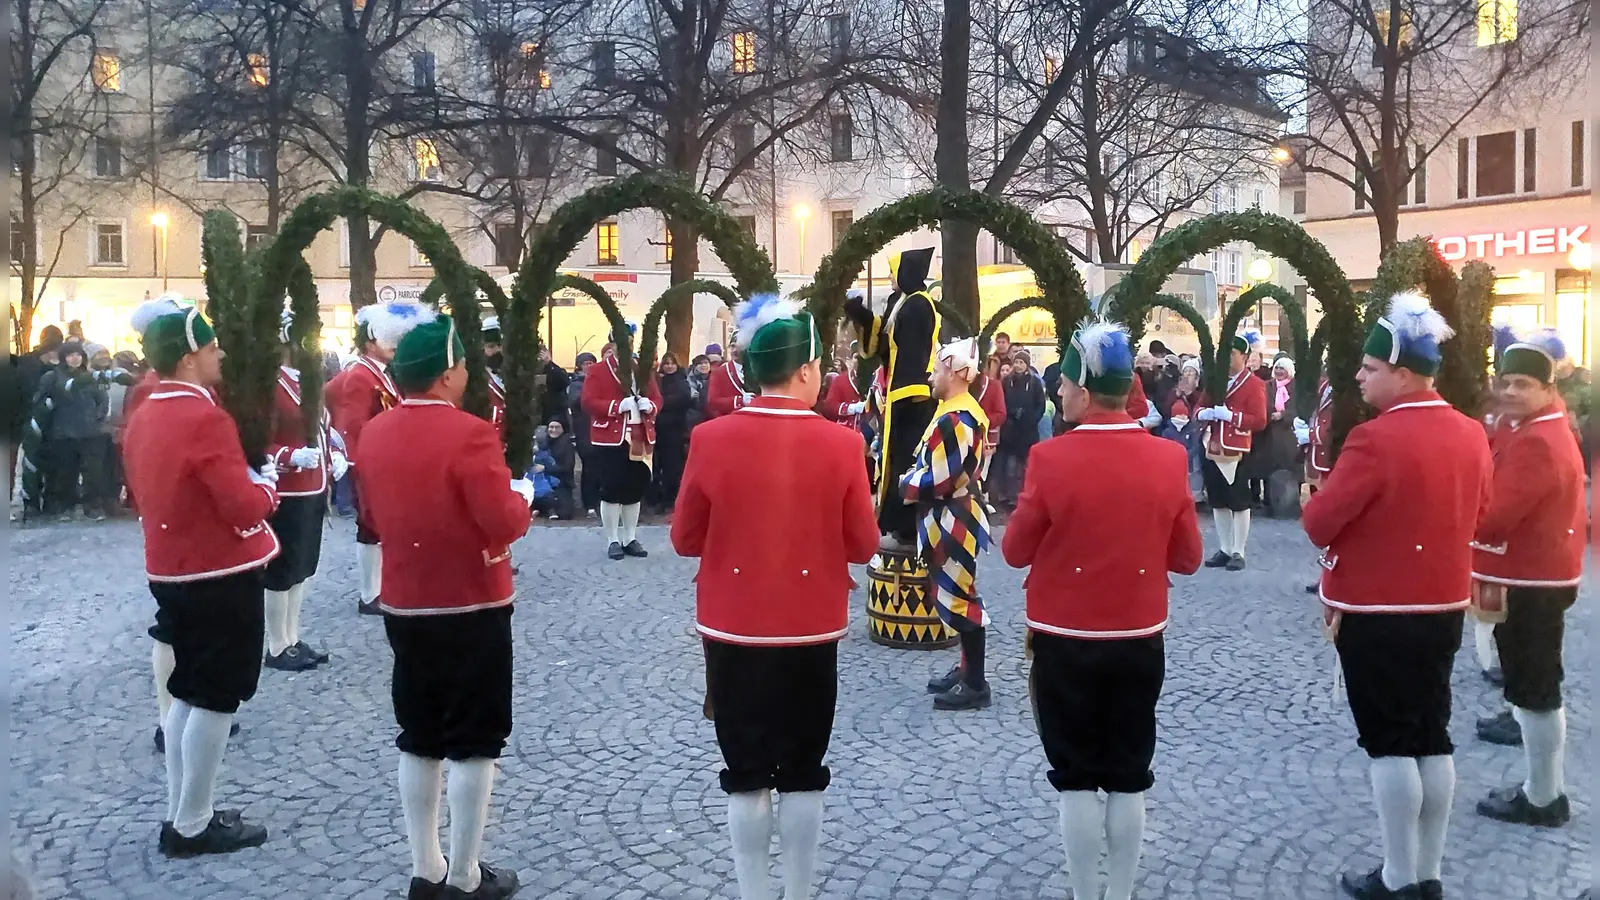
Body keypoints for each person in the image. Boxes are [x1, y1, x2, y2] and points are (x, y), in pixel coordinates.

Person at [671, 294, 878, 900]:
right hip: (811, 627)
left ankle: (754, 892)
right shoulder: (842, 444)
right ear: (807, 370)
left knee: (745, 771)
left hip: (733, 626)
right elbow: (863, 545)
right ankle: (799, 891)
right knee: (804, 770)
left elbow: (684, 539)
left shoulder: (710, 437)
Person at [1302, 292, 1492, 900]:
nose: (1360, 376)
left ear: (1404, 373)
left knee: (1388, 744)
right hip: (1444, 604)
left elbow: (1319, 523)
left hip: (1377, 610)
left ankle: (1398, 876)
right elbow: (1481, 514)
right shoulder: (1472, 433)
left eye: (1371, 367)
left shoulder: (1373, 439)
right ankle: (1428, 872)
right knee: (1431, 736)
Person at [1004, 319, 1202, 900]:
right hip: (1138, 634)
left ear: (1086, 392)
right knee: (1128, 771)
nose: (1059, 392)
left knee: (1075, 777)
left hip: (1064, 637)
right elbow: (1188, 558)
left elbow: (1015, 551)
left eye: (1066, 384)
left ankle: (1084, 893)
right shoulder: (1167, 459)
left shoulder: (1050, 458)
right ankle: (1120, 892)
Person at [359, 310, 533, 900]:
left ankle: (425, 866)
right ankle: (464, 873)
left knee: (419, 732)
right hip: (471, 599)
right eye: (461, 364)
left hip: (406, 600)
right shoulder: (470, 433)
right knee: (475, 738)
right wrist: (520, 498)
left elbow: (372, 516)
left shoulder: (375, 431)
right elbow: (501, 520)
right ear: (445, 375)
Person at [123, 298, 280, 857]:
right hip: (218, 571)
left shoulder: (145, 411)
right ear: (189, 358)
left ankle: (184, 808)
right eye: (212, 348)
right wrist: (267, 487)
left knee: (187, 691)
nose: (221, 355)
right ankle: (191, 822)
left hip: (170, 567)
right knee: (217, 696)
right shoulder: (204, 417)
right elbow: (241, 506)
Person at [1469, 331, 1585, 829]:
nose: (1511, 392)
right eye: (1506, 382)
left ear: (1548, 388)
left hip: (1532, 580)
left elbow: (1493, 517)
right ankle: (1542, 789)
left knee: (1535, 690)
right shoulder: (1531, 424)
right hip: (1532, 574)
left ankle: (1544, 796)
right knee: (1529, 686)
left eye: (1523, 384)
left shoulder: (1538, 440)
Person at [904, 338, 994, 710]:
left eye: (938, 369)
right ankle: (967, 670)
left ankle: (975, 683)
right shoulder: (956, 411)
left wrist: (904, 485)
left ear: (955, 372)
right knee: (956, 592)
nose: (931, 376)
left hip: (951, 516)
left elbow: (940, 479)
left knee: (960, 598)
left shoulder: (957, 418)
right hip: (949, 514)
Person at [260, 307, 347, 672]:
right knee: (282, 571)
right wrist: (289, 455)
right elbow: (254, 440)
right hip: (288, 490)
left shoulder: (304, 382)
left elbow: (323, 429)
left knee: (302, 568)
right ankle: (276, 644)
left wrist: (335, 454)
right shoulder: (269, 384)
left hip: (313, 487)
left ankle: (293, 637)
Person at [327, 301, 422, 615]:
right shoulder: (361, 375)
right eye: (387, 337)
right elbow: (353, 425)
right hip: (369, 462)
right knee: (371, 527)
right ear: (370, 342)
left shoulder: (379, 374)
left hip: (383, 458)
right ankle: (370, 594)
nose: (394, 343)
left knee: (381, 527)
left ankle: (381, 588)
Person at [842, 249, 940, 551]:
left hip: (913, 396)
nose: (890, 277)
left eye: (894, 271)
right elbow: (880, 347)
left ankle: (906, 527)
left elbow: (900, 349)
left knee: (906, 460)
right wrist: (861, 315)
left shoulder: (918, 304)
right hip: (899, 395)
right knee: (895, 459)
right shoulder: (902, 303)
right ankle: (896, 524)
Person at [581, 333, 662, 559]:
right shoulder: (598, 370)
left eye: (629, 341)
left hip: (640, 436)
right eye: (621, 342)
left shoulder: (641, 369)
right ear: (612, 344)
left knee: (634, 490)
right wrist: (617, 406)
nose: (626, 345)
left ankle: (630, 537)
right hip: (611, 438)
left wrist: (651, 406)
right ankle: (612, 539)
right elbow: (588, 401)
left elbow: (657, 398)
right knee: (612, 490)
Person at [1193, 331, 1267, 571]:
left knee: (1239, 502)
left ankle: (1238, 550)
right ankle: (1224, 548)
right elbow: (1198, 407)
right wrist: (1203, 413)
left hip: (1237, 449)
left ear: (1244, 356)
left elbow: (1259, 420)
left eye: (1232, 354)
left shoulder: (1254, 384)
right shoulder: (1216, 381)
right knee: (1218, 500)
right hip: (1211, 445)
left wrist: (1232, 417)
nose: (1227, 359)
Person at [36, 340, 111, 520]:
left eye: (78, 354)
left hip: (90, 432)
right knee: (65, 472)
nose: (75, 358)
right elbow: (40, 401)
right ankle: (65, 507)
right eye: (70, 355)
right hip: (63, 432)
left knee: (93, 472)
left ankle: (92, 506)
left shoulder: (90, 377)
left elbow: (102, 399)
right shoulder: (53, 377)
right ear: (64, 357)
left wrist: (97, 416)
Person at [1252, 355, 1300, 515]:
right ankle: (1268, 503)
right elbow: (1259, 404)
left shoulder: (1295, 387)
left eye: (1282, 368)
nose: (1279, 371)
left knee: (1289, 468)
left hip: (1288, 435)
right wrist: (1269, 414)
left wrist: (1283, 415)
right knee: (1268, 469)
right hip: (1268, 434)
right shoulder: (1267, 385)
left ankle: (1288, 504)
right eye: (1277, 368)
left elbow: (1299, 408)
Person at [996, 353, 1045, 507]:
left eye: (1021, 362)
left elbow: (1040, 405)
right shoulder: (1007, 382)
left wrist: (1031, 419)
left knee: (1026, 466)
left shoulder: (1034, 383)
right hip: (1011, 430)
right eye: (1016, 362)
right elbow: (1002, 401)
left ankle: (1026, 495)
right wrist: (1011, 413)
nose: (1018, 365)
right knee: (1010, 467)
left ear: (1027, 365)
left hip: (1028, 431)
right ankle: (1011, 496)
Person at [651, 352, 693, 513]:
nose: (669, 366)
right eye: (666, 363)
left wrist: (661, 403)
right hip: (658, 428)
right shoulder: (658, 380)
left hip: (675, 429)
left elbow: (682, 399)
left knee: (672, 466)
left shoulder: (681, 381)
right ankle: (657, 498)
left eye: (672, 363)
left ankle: (671, 499)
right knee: (657, 464)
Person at [568, 352, 600, 516]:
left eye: (592, 363)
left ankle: (601, 502)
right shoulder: (576, 384)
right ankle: (589, 504)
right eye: (586, 363)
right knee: (589, 468)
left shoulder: (600, 381)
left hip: (601, 429)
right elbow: (577, 401)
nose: (589, 366)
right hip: (584, 431)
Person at [531, 419, 576, 520]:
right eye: (551, 427)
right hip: (541, 481)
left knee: (565, 513)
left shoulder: (567, 445)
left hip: (561, 481)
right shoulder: (542, 443)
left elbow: (567, 467)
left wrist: (546, 468)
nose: (554, 430)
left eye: (557, 427)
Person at [706, 347, 753, 419]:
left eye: (740, 346)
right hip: (731, 420)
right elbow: (713, 401)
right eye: (732, 346)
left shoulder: (759, 368)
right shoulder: (720, 372)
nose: (734, 350)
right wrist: (740, 401)